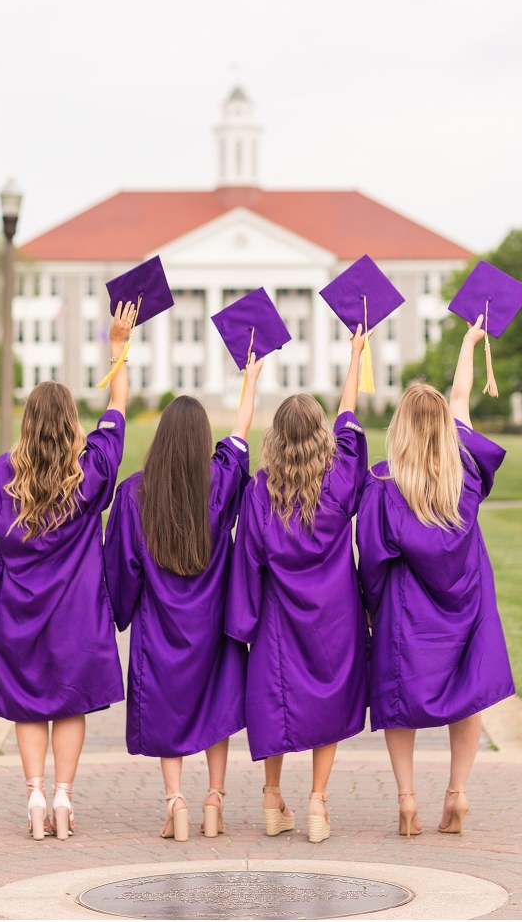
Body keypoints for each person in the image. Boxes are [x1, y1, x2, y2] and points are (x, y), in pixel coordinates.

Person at [0, 302, 135, 841]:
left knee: (28, 703)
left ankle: (35, 795)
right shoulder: (90, 471)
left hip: (19, 612)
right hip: (78, 613)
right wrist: (118, 349)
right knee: (68, 702)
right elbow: (118, 408)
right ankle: (64, 797)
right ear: (69, 424)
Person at [356, 315, 514, 838]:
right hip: (466, 601)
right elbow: (461, 397)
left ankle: (406, 802)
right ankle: (457, 793)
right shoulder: (465, 471)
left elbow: (374, 558)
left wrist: (372, 604)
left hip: (407, 610)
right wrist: (470, 341)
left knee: (398, 699)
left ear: (399, 429)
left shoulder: (383, 486)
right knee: (466, 692)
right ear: (445, 429)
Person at [104, 354, 263, 842]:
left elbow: (123, 567)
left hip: (161, 625)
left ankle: (175, 801)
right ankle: (215, 799)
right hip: (213, 621)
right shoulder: (218, 483)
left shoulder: (134, 494)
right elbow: (239, 436)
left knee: (165, 708)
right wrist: (250, 379)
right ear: (200, 443)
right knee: (217, 707)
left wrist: (122, 609)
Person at [225, 327, 369, 844]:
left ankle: (270, 799)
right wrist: (355, 356)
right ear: (319, 434)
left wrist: (242, 622)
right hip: (335, 615)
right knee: (327, 702)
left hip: (278, 618)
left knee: (277, 702)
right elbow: (350, 422)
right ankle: (316, 804)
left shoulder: (261, 489)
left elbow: (248, 557)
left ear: (276, 437)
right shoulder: (339, 478)